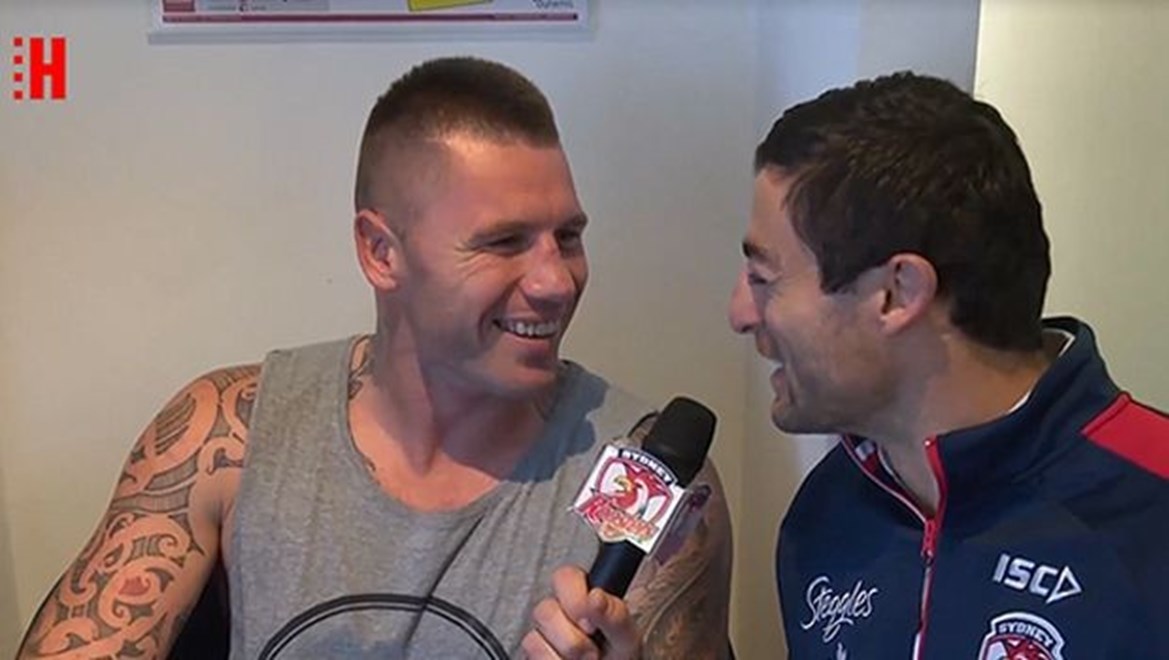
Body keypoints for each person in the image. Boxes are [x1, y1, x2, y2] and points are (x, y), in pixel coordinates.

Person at [18, 56, 732, 660]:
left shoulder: (657, 482)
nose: (556, 282)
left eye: (567, 237)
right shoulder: (226, 435)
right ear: (380, 251)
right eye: (503, 242)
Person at [728, 72, 1169, 659]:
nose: (739, 313)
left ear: (898, 292)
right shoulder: (827, 510)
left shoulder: (1151, 512)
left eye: (763, 278)